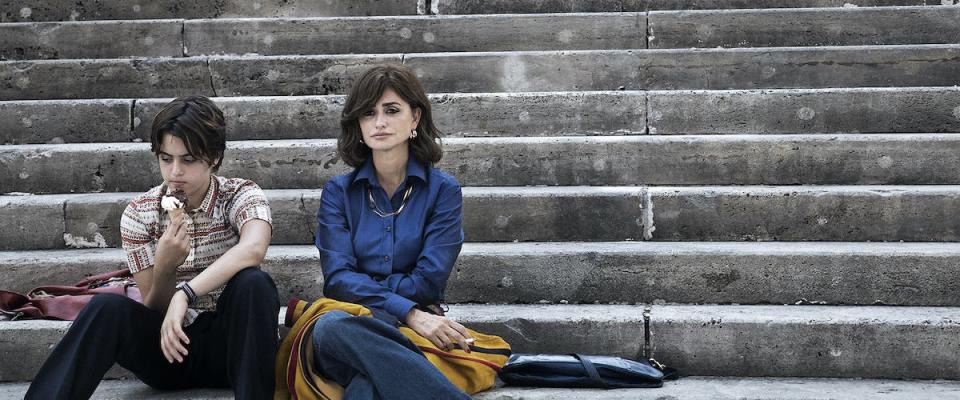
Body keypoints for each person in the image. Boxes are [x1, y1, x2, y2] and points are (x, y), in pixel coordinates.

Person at [26, 96, 279, 400]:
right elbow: (155, 307)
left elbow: (253, 249)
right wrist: (166, 267)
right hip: (169, 350)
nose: (175, 172)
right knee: (106, 308)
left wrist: (186, 295)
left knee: (254, 282)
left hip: (232, 348)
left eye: (188, 159)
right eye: (165, 158)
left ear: (213, 157)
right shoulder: (139, 213)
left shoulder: (240, 194)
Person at [312, 64, 472, 399]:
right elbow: (338, 280)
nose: (379, 122)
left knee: (366, 385)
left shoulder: (442, 191)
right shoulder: (338, 193)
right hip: (354, 328)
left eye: (391, 110)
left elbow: (428, 280)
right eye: (368, 113)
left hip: (406, 337)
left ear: (415, 118)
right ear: (357, 123)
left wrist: (368, 288)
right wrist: (411, 312)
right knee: (329, 327)